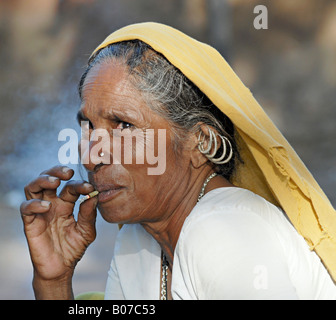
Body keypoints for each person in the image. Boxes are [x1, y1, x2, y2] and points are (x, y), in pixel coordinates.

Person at [19, 22, 336, 299]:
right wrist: (54, 281)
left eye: (124, 125)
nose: (90, 155)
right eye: (88, 126)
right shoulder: (137, 239)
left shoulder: (225, 231)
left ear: (200, 144)